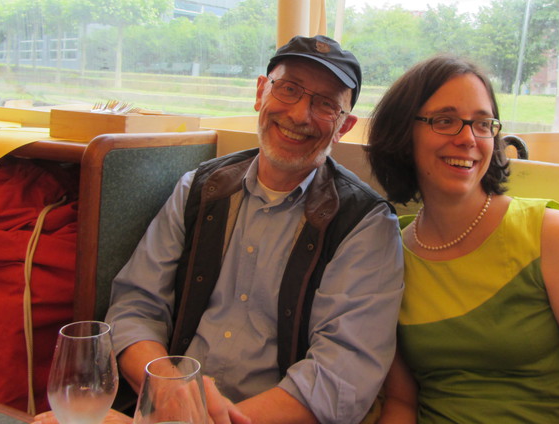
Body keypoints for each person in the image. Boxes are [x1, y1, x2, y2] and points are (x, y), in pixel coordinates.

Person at [94, 35, 403, 424]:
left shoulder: (365, 225)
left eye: (326, 104)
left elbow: (340, 376)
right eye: (289, 89)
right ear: (261, 92)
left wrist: (207, 421)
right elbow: (134, 307)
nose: (300, 115)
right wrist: (171, 393)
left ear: (344, 125)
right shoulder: (197, 189)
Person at [366, 55, 559, 423]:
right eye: (445, 121)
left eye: (482, 124)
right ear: (402, 134)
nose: (467, 139)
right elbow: (402, 403)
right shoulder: (391, 252)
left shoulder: (548, 234)